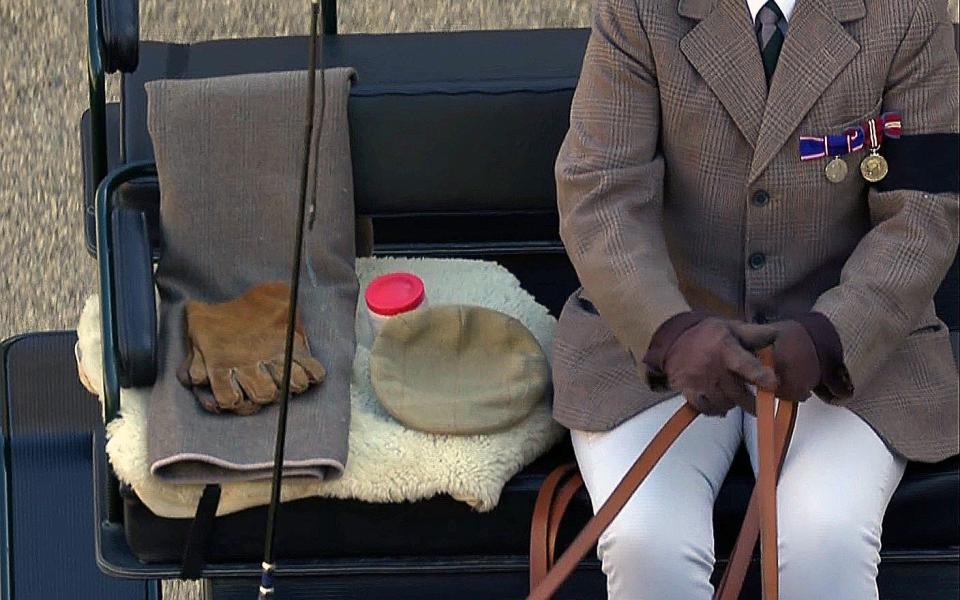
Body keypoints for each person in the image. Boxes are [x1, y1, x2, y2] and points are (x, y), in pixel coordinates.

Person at [551, 0, 959, 598]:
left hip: (851, 347)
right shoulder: (638, 7)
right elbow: (599, 190)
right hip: (661, 337)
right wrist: (669, 333)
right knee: (645, 540)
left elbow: (923, 210)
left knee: (829, 538)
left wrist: (832, 335)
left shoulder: (908, 11)